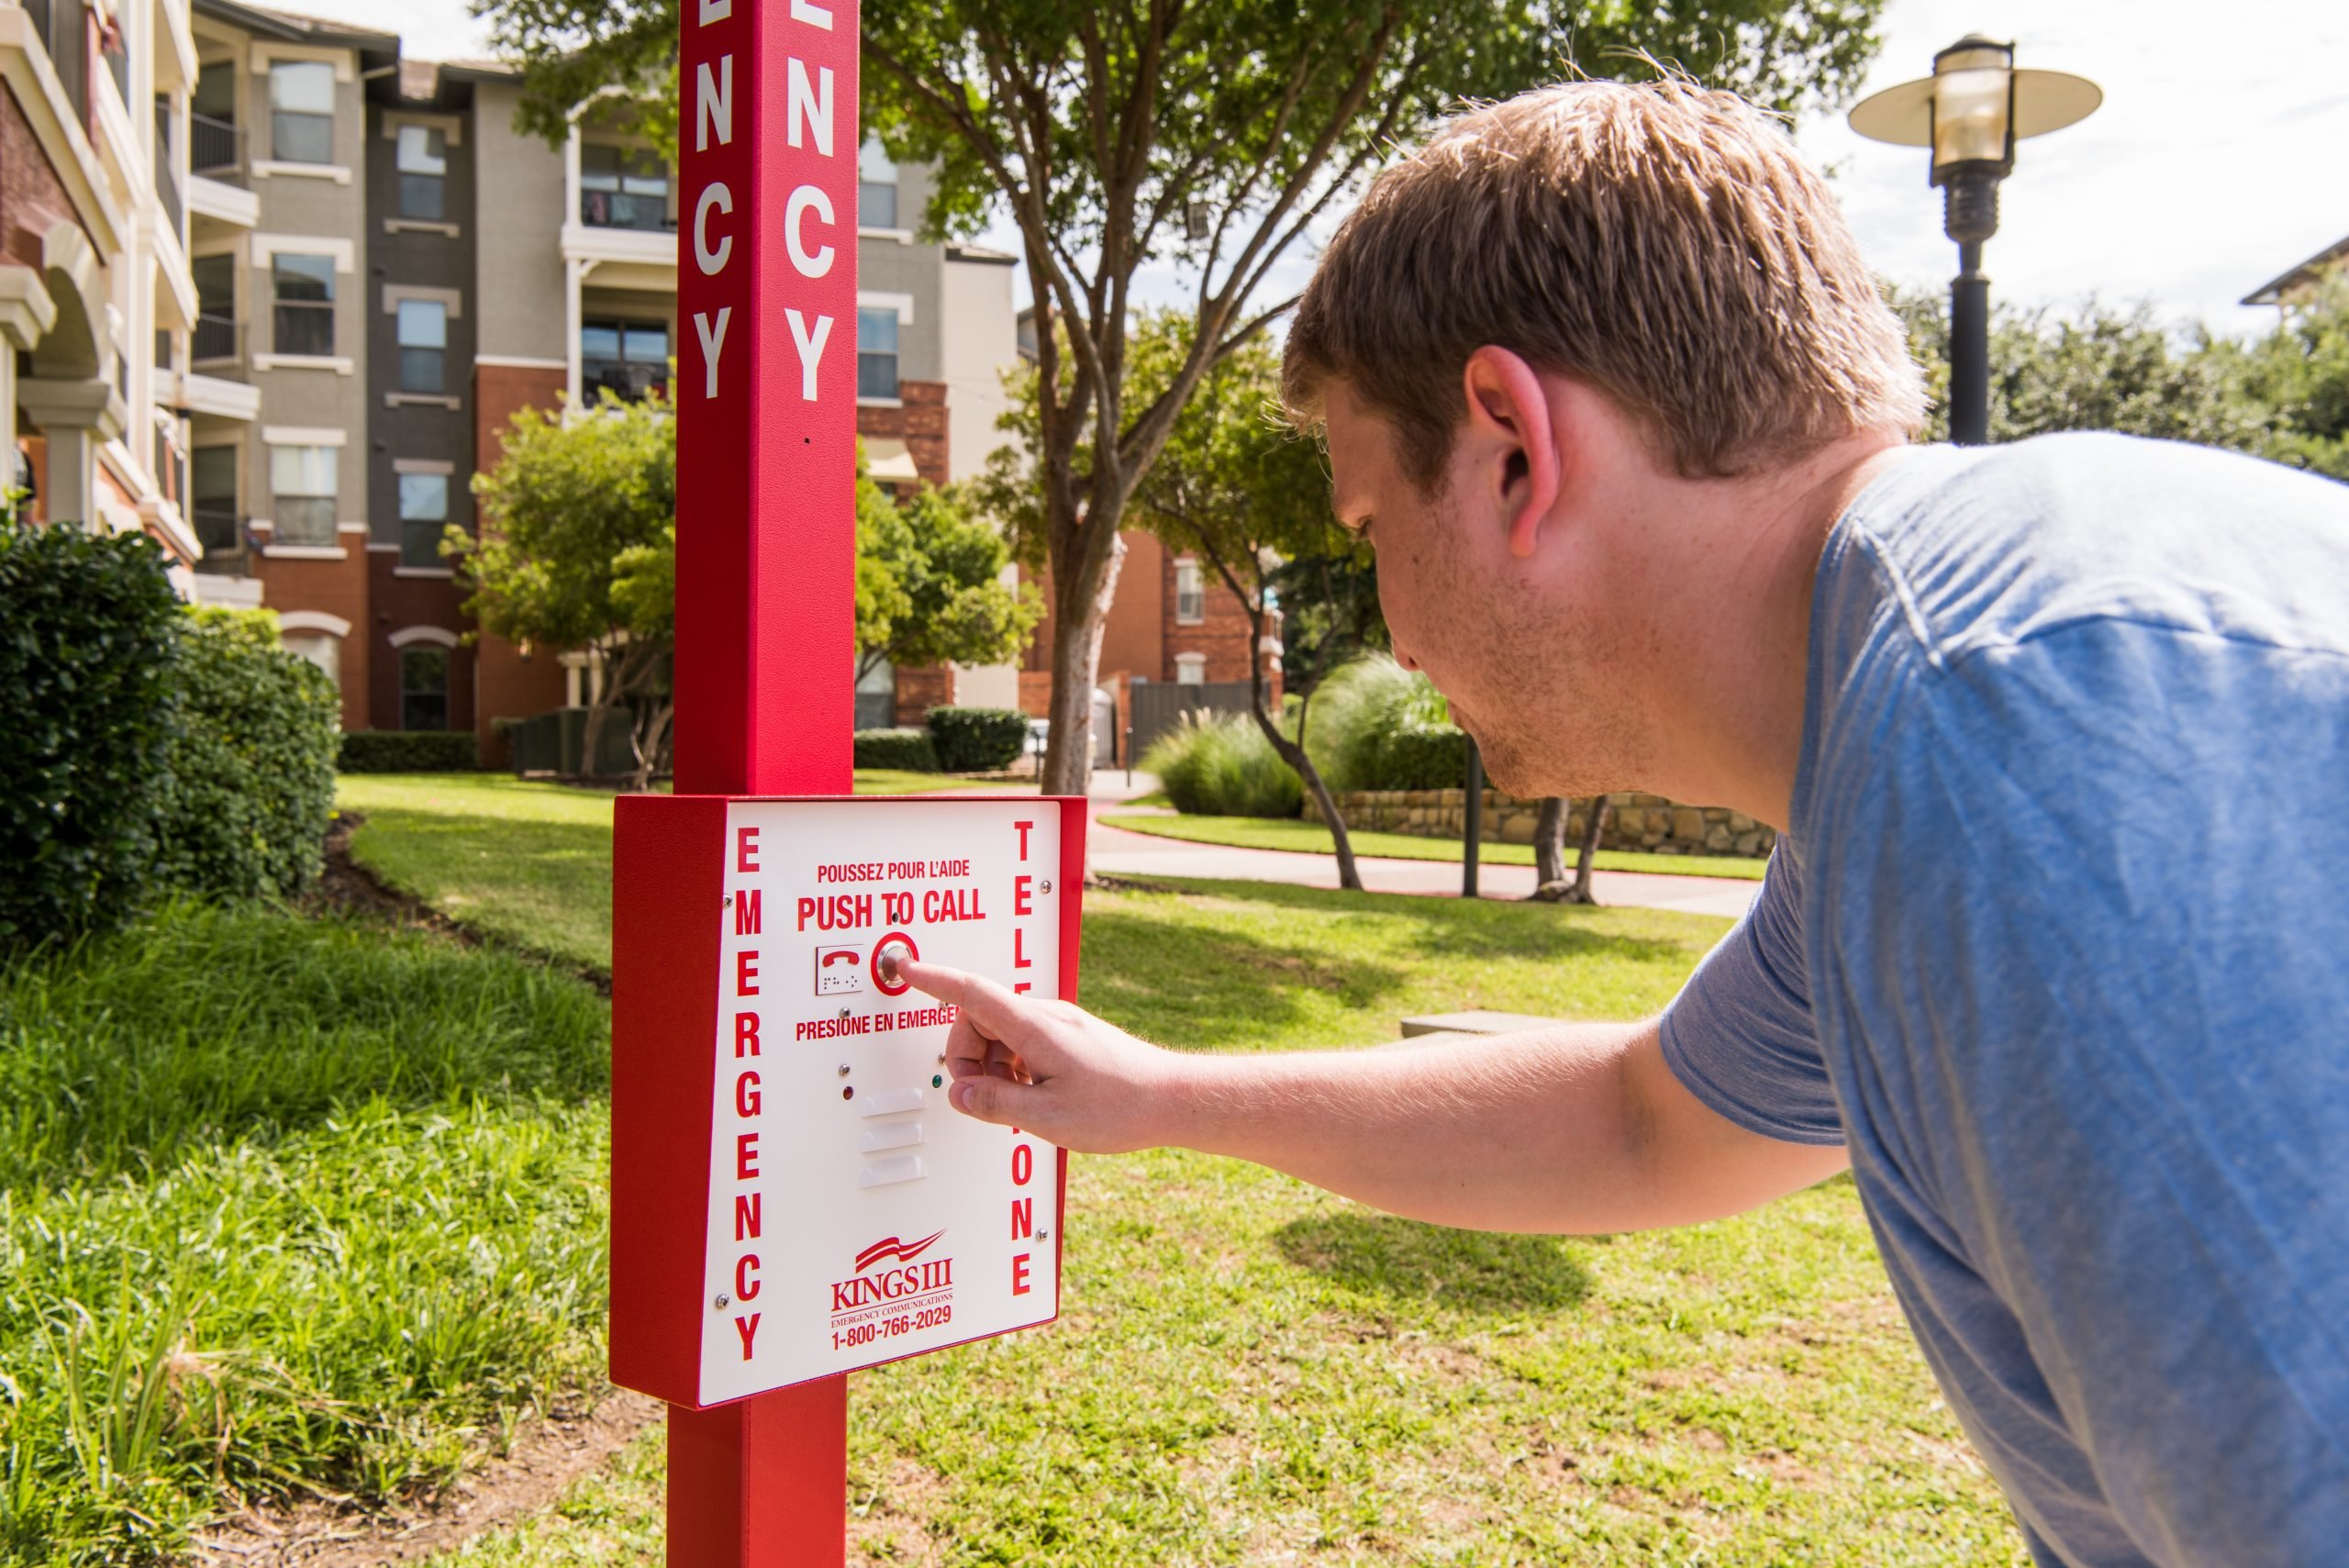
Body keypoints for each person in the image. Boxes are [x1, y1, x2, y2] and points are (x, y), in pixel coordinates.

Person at [903, 78, 2349, 1567]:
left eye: (1371, 529)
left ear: (1513, 451)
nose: (1393, 628)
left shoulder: (2014, 752)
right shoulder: (1907, 733)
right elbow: (1645, 1122)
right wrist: (1159, 1096)